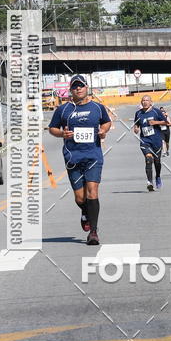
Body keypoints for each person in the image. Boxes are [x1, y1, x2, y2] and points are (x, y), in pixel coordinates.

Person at [48, 74, 111, 246]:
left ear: (86, 87)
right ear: (71, 90)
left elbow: (106, 123)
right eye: (75, 86)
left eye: (81, 86)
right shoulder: (63, 110)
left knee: (92, 192)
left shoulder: (97, 108)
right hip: (72, 157)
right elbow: (52, 128)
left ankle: (93, 232)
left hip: (93, 155)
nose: (78, 89)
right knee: (80, 198)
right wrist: (62, 133)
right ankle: (85, 213)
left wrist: (103, 131)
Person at [133, 95, 166, 190]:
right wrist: (136, 129)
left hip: (156, 141)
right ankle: (149, 182)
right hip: (145, 141)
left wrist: (155, 123)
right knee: (148, 159)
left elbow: (167, 123)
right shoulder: (138, 113)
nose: (144, 102)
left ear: (151, 102)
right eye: (143, 100)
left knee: (157, 162)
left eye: (147, 100)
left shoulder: (156, 111)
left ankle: (158, 176)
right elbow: (136, 124)